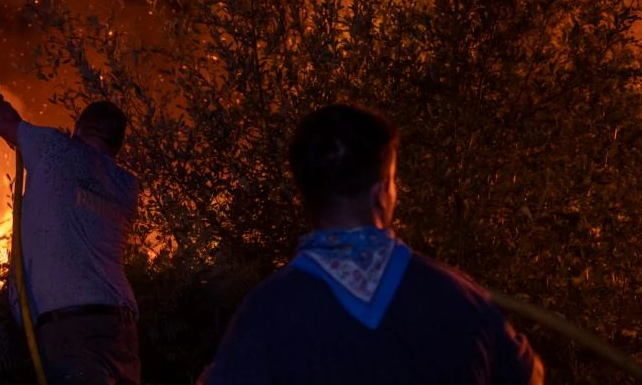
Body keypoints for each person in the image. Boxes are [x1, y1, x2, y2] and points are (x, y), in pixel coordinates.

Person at [203, 103, 544, 385]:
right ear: (382, 194)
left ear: (307, 194)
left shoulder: (264, 316)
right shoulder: (462, 299)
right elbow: (528, 376)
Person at [0, 92, 141, 384]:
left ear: (78, 128)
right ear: (117, 145)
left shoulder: (55, 148)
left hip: (72, 329)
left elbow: (2, 119)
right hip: (121, 329)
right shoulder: (126, 186)